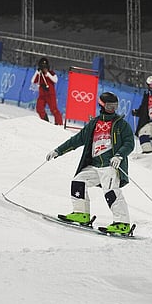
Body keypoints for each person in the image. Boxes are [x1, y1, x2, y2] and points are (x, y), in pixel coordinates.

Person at [45, 91, 135, 234]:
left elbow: (130, 143)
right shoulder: (94, 123)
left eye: (115, 106)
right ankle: (81, 214)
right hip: (94, 166)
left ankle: (122, 223)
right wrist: (58, 151)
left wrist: (119, 156)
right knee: (78, 181)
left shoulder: (121, 124)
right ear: (102, 105)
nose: (112, 109)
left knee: (111, 192)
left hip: (110, 166)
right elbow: (77, 140)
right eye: (109, 106)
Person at [31, 57, 63, 125]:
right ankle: (45, 121)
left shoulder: (51, 73)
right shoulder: (40, 75)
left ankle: (59, 123)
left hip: (50, 94)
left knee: (53, 109)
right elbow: (33, 81)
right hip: (42, 95)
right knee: (39, 108)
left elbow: (55, 80)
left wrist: (48, 74)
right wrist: (37, 72)